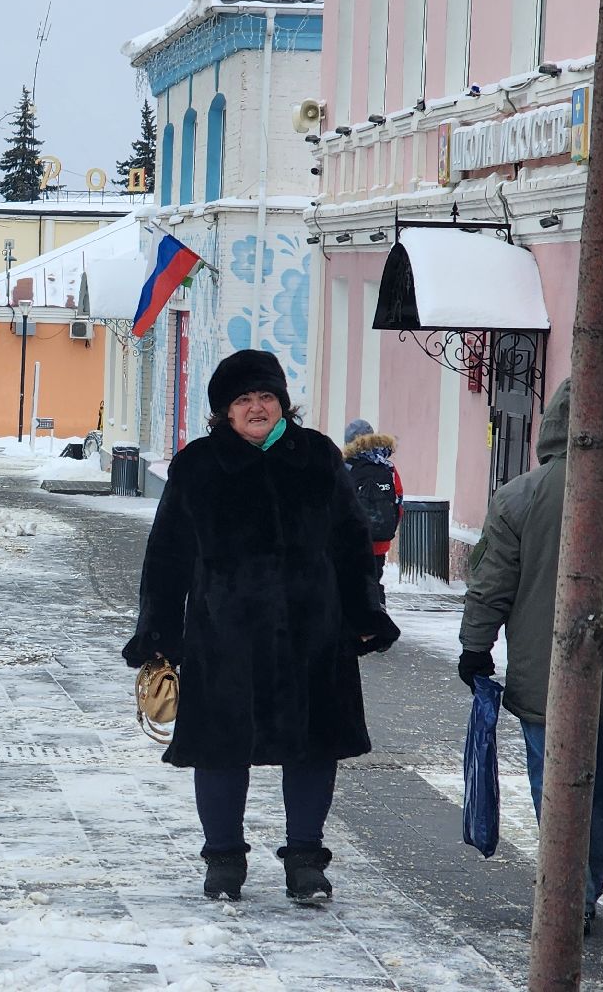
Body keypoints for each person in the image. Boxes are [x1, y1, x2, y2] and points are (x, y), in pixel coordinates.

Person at [123, 349, 399, 904]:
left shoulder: (317, 457)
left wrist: (365, 612)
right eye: (243, 400)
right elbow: (168, 555)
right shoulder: (198, 465)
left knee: (313, 748)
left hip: (312, 636)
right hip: (222, 640)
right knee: (220, 750)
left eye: (265, 397)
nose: (256, 407)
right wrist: (159, 634)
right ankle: (223, 862)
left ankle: (305, 864)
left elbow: (351, 543)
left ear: (282, 404)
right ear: (223, 411)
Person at [458, 379, 603, 936]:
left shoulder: (516, 498)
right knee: (599, 780)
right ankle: (584, 886)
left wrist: (475, 646)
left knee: (551, 780)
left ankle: (565, 886)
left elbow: (489, 584)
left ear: (550, 432)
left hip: (540, 677)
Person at [342, 419, 404, 583]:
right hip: (379, 542)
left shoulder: (344, 467)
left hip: (350, 543)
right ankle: (378, 606)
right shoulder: (386, 467)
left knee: (351, 586)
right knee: (374, 584)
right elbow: (398, 501)